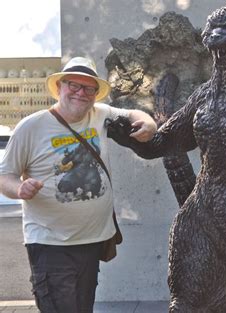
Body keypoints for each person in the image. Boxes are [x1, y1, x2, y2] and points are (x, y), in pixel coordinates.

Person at [0, 57, 157, 313]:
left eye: (88, 88)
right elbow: (4, 176)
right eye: (74, 85)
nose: (80, 93)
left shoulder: (100, 114)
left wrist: (149, 123)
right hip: (52, 244)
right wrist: (18, 189)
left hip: (91, 241)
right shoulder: (30, 127)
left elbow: (132, 113)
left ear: (95, 94)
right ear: (60, 86)